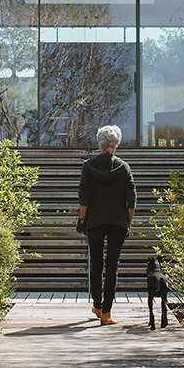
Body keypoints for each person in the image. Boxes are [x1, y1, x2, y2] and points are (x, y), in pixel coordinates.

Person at [78, 124, 136, 326]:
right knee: (112, 266)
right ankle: (107, 313)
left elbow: (83, 199)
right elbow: (131, 199)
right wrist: (128, 221)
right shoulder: (124, 167)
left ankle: (97, 304)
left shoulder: (88, 166)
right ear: (116, 144)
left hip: (95, 221)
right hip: (118, 222)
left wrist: (83, 220)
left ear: (100, 143)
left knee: (96, 262)